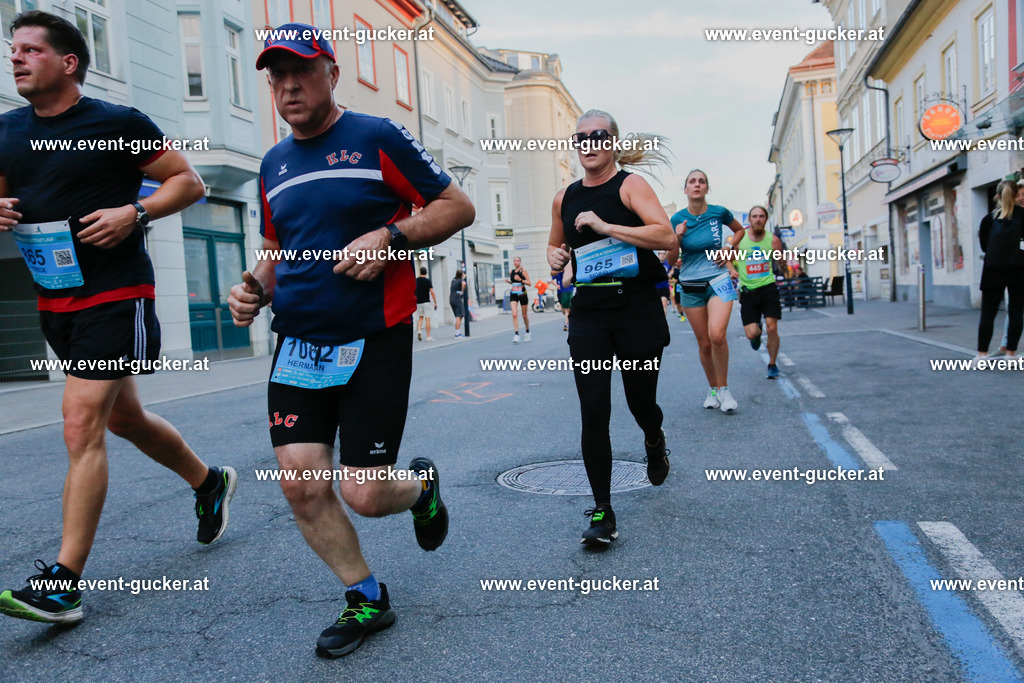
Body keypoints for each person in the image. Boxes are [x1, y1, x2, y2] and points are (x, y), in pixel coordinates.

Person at [228, 24, 474, 657]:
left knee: (364, 493)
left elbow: (457, 207)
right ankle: (365, 596)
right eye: (277, 77)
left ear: (332, 74)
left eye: (301, 72)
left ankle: (420, 489)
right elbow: (277, 249)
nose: (288, 86)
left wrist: (392, 237)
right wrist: (253, 287)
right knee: (300, 484)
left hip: (374, 336)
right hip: (299, 344)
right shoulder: (272, 164)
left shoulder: (375, 137)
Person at [0, 11, 236, 625]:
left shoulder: (116, 124)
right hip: (54, 298)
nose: (15, 57)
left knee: (81, 424)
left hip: (116, 294)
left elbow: (187, 182)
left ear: (68, 62)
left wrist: (138, 213)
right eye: (13, 49)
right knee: (125, 417)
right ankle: (209, 482)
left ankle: (63, 583)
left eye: (30, 49)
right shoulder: (6, 131)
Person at [548, 109, 677, 546]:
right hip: (589, 315)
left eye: (598, 135)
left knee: (642, 404)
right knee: (594, 412)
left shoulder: (630, 186)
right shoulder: (563, 198)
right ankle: (602, 510)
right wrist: (555, 257)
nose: (589, 143)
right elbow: (555, 247)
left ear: (613, 143)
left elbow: (666, 237)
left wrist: (606, 227)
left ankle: (654, 440)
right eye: (580, 137)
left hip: (636, 310)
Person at [671, 170, 745, 412]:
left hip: (719, 279)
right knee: (704, 343)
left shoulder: (718, 212)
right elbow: (671, 260)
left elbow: (740, 230)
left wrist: (728, 247)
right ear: (685, 189)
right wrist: (676, 238)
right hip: (691, 286)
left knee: (717, 335)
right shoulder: (677, 219)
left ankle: (724, 389)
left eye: (701, 181)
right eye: (692, 181)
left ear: (706, 188)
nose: (697, 185)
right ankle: (713, 389)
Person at [729, 206, 784, 379]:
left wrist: (782, 262)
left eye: (761, 216)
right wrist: (732, 270)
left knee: (772, 327)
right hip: (748, 291)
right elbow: (727, 258)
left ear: (766, 219)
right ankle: (757, 333)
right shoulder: (740, 240)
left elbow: (781, 263)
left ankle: (772, 364)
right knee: (751, 333)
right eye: (754, 216)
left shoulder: (773, 240)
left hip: (768, 288)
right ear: (749, 219)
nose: (758, 219)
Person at [974, 179, 1024, 364]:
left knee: (988, 313)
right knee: (1016, 312)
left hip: (992, 270)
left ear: (997, 195)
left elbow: (984, 246)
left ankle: (982, 355)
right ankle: (1010, 354)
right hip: (1019, 269)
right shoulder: (1022, 215)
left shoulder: (988, 219)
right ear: (1016, 195)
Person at [507, 256, 531, 342]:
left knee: (524, 316)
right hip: (514, 294)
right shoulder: (511, 272)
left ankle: (527, 332)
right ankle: (516, 334)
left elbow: (529, 283)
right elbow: (514, 282)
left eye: (517, 261)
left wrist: (520, 279)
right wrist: (509, 282)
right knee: (514, 314)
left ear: (520, 262)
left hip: (522, 294)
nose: (516, 262)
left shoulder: (523, 271)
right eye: (514, 261)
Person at [414, 266, 436, 342]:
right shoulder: (427, 281)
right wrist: (435, 302)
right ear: (426, 273)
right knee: (427, 319)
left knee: (420, 317)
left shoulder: (416, 281)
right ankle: (428, 336)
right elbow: (432, 292)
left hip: (418, 302)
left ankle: (419, 331)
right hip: (426, 302)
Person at [552, 262, 574, 331]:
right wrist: (556, 285)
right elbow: (552, 276)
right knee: (563, 309)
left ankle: (566, 323)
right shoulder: (558, 265)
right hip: (560, 291)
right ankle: (568, 319)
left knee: (568, 308)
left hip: (569, 290)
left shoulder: (569, 264)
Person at [450, 270, 467, 338]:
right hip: (457, 299)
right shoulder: (460, 280)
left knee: (459, 316)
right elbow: (464, 283)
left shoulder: (453, 280)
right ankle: (457, 334)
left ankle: (458, 333)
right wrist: (462, 291)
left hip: (452, 299)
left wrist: (460, 292)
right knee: (459, 316)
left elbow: (456, 290)